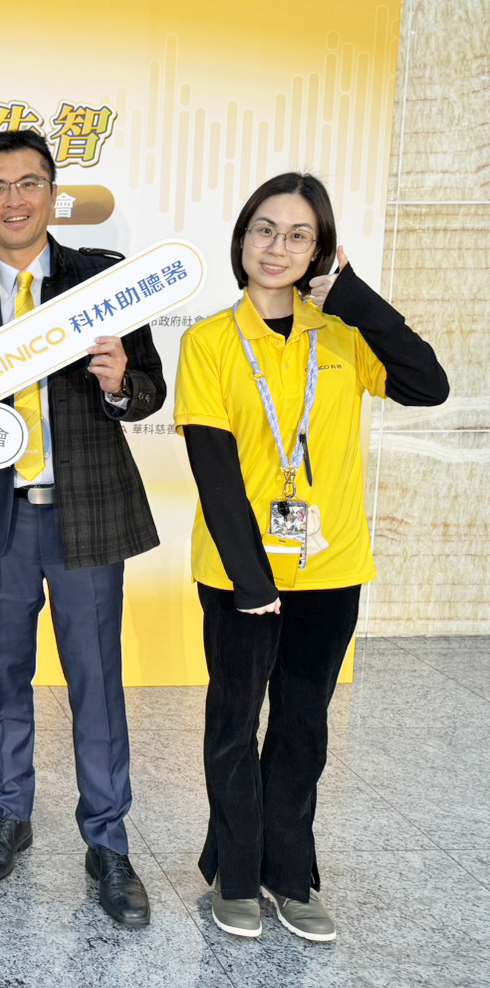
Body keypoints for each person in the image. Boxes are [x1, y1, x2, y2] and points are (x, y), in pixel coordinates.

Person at [173, 173, 448, 941]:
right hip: (239, 571)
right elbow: (212, 468)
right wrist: (250, 579)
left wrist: (355, 298)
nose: (277, 246)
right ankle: (235, 873)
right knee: (234, 724)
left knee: (302, 726)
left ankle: (289, 876)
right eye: (264, 229)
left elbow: (427, 386)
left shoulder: (343, 335)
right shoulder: (208, 342)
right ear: (241, 237)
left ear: (320, 249)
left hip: (330, 568)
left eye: (298, 235)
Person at [0, 129, 165, 928]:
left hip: (84, 514)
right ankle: (9, 814)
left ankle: (108, 842)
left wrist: (121, 383)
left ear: (52, 194)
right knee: (4, 677)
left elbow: (150, 388)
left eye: (28, 183)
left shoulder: (101, 283)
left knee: (96, 681)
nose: (13, 199)